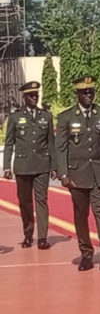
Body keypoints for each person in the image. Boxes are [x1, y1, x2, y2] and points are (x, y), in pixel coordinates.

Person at [55, 76, 100, 272]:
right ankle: (86, 252)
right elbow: (61, 148)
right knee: (81, 215)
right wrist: (63, 174)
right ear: (77, 94)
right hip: (77, 176)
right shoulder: (67, 117)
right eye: (84, 92)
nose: (88, 95)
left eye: (91, 91)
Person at [3, 81, 57, 249]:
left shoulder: (46, 116)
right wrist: (6, 167)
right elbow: (9, 143)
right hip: (23, 166)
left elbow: (51, 143)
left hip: (42, 165)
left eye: (36, 95)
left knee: (42, 201)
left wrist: (54, 166)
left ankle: (42, 237)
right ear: (24, 97)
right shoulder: (15, 117)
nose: (35, 98)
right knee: (25, 203)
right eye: (31, 95)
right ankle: (28, 234)